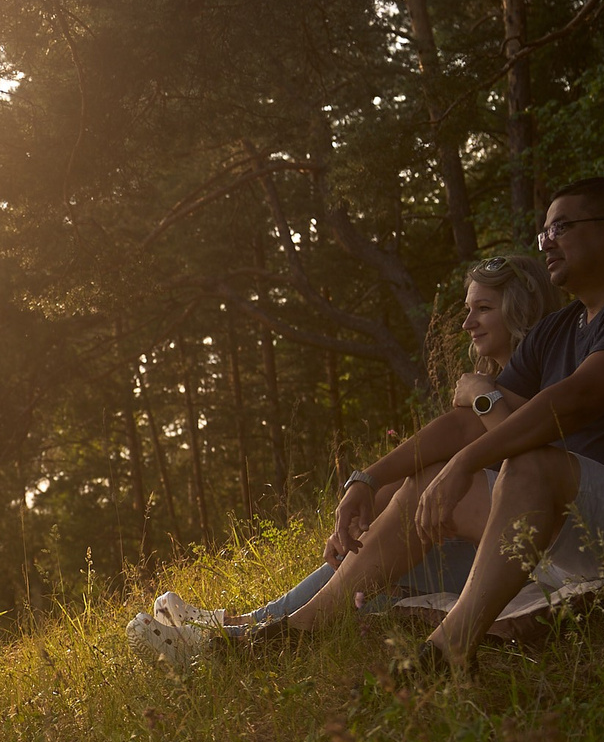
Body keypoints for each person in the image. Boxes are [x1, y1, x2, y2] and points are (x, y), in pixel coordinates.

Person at [253, 176, 604, 674]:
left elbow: (579, 397)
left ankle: (446, 653)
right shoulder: (559, 329)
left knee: (530, 464)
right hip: (594, 535)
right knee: (430, 476)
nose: (548, 241)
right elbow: (466, 423)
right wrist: (369, 479)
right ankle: (300, 631)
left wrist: (469, 461)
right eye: (544, 233)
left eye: (563, 227)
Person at [153, 251, 559, 631]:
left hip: (531, 550)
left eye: (484, 309)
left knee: (380, 562)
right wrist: (366, 507)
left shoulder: (544, 376)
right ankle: (244, 624)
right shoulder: (493, 386)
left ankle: (248, 628)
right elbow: (430, 469)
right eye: (468, 309)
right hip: (491, 537)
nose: (468, 322)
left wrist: (481, 396)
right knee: (372, 558)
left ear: (520, 310)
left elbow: (525, 453)